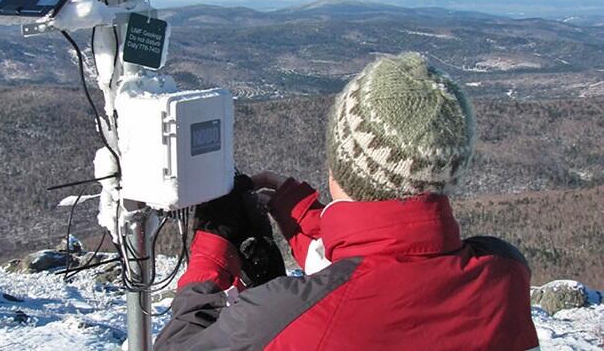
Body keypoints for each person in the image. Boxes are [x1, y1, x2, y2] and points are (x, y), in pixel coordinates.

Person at [155, 52, 540, 351]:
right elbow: (383, 262)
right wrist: (300, 214)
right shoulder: (504, 273)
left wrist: (212, 250)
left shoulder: (276, 315)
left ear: (339, 161)